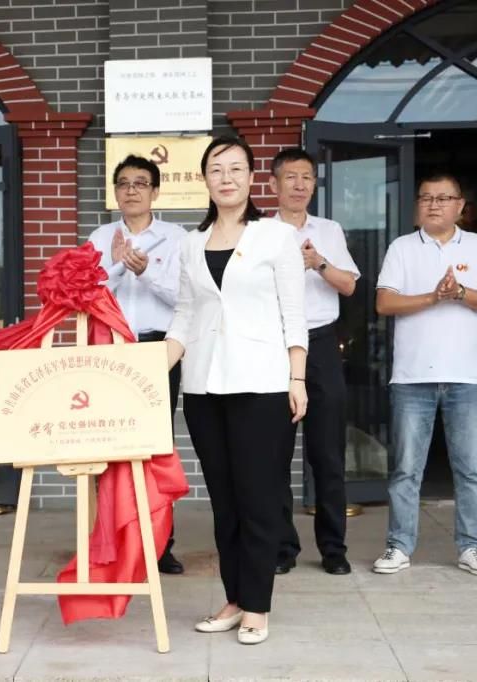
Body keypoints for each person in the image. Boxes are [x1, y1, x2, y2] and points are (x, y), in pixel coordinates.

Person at [165, 135, 308, 645]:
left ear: (251, 178)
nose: (225, 178)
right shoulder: (190, 244)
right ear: (204, 180)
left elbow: (294, 313)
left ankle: (257, 606)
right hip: (204, 387)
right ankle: (234, 598)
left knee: (258, 500)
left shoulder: (276, 237)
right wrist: (152, 366)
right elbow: (185, 315)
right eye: (216, 170)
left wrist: (297, 378)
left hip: (262, 385)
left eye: (235, 169)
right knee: (224, 502)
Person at [372, 172, 477, 577]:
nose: (434, 205)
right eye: (426, 198)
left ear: (460, 206)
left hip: (465, 376)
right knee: (406, 470)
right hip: (412, 377)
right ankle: (398, 546)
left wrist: (460, 292)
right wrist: (434, 296)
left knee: (470, 470)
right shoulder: (402, 247)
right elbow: (384, 303)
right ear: (417, 205)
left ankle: (471, 546)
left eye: (443, 198)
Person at [87, 154, 187, 575]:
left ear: (155, 192)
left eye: (141, 183)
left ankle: (160, 545)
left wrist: (144, 273)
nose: (131, 190)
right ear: (115, 192)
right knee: (110, 444)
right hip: (110, 350)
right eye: (124, 183)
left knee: (155, 447)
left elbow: (184, 298)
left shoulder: (176, 238)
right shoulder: (100, 236)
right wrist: (114, 265)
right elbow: (85, 295)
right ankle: (111, 540)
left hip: (157, 351)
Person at [269, 148, 359, 576]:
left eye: (306, 177)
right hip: (274, 345)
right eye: (291, 177)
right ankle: (282, 547)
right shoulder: (260, 232)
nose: (300, 184)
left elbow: (349, 285)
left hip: (321, 344)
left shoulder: (329, 230)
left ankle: (333, 549)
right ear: (273, 184)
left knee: (328, 454)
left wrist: (317, 262)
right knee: (275, 454)